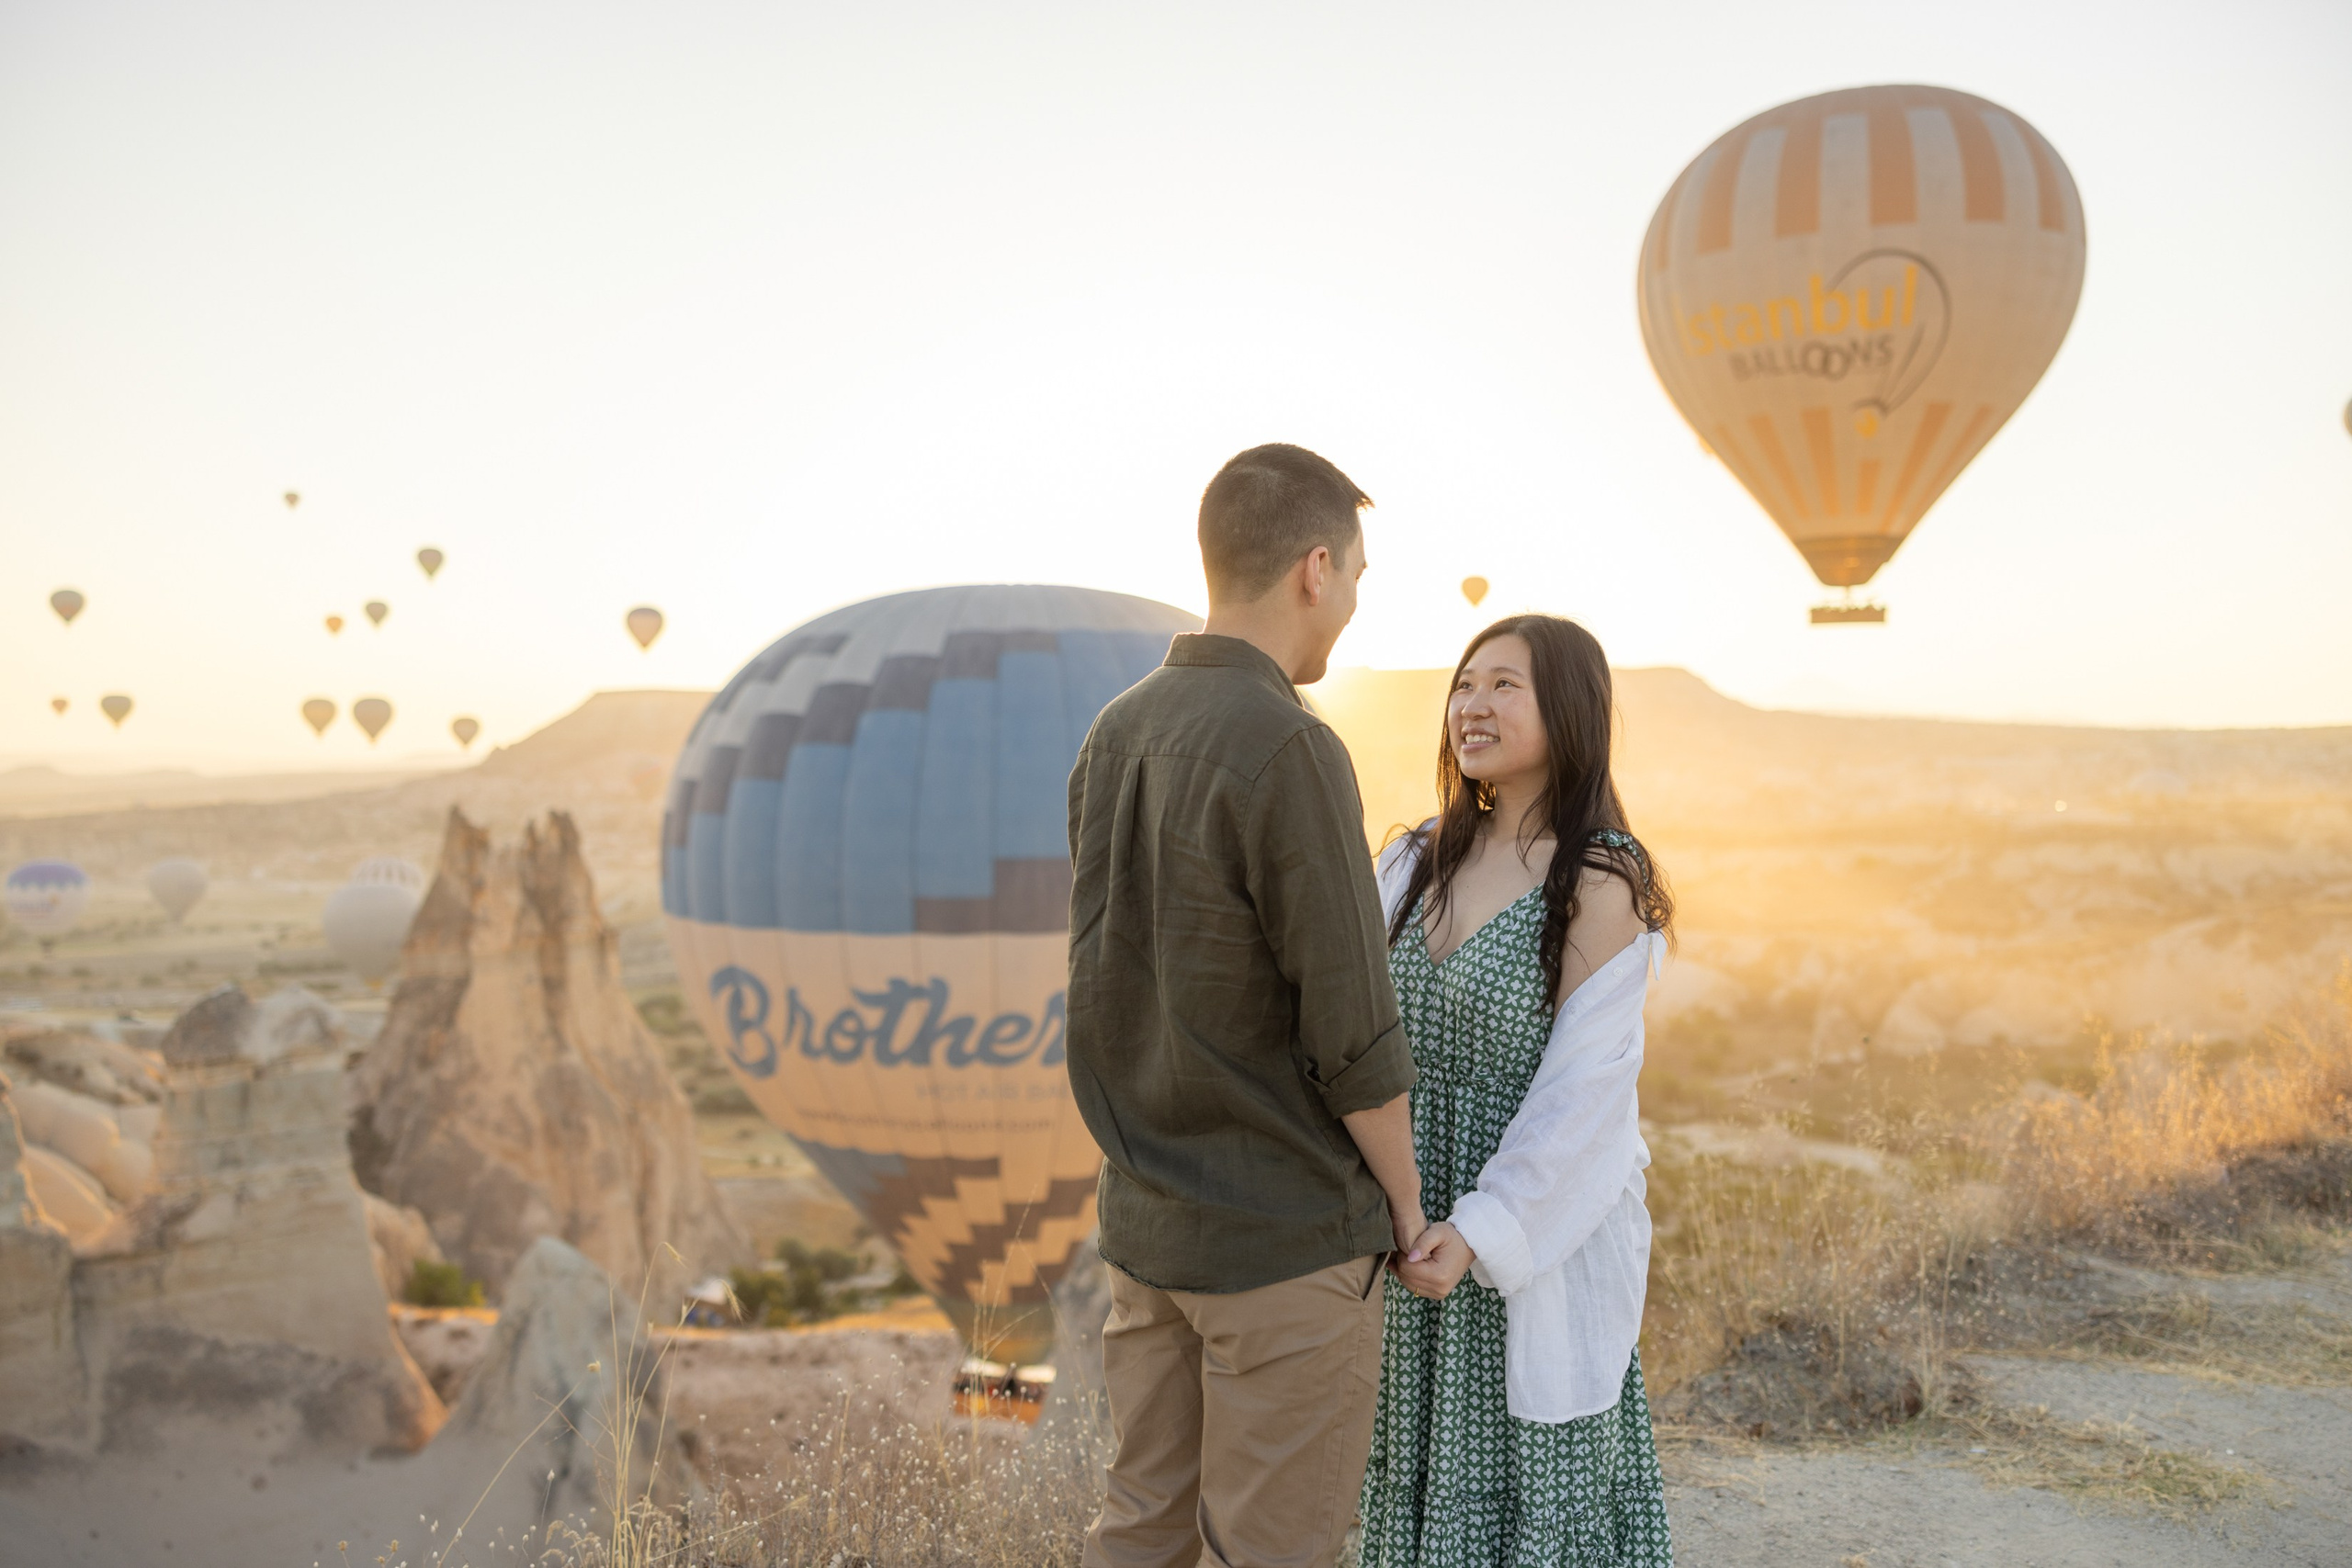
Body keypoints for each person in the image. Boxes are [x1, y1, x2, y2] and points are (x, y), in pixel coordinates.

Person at [1066, 443, 1427, 1568]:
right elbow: (1351, 1032)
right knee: (1274, 1550)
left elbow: (1106, 975)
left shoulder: (1113, 733)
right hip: (1283, 1246)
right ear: (1314, 569)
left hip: (1147, 1232)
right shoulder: (1293, 747)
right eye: (1358, 575)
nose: (1355, 605)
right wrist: (1409, 1215)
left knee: (1142, 1529)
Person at [1360, 615, 1675, 1567]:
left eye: (1505, 686)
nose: (1473, 705)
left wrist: (1483, 1231)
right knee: (1410, 1484)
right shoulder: (1415, 860)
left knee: (1533, 1497)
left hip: (1536, 1228)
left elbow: (1585, 1102)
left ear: (1568, 712)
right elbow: (1349, 1033)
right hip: (1405, 1213)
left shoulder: (1599, 878)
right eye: (1464, 684)